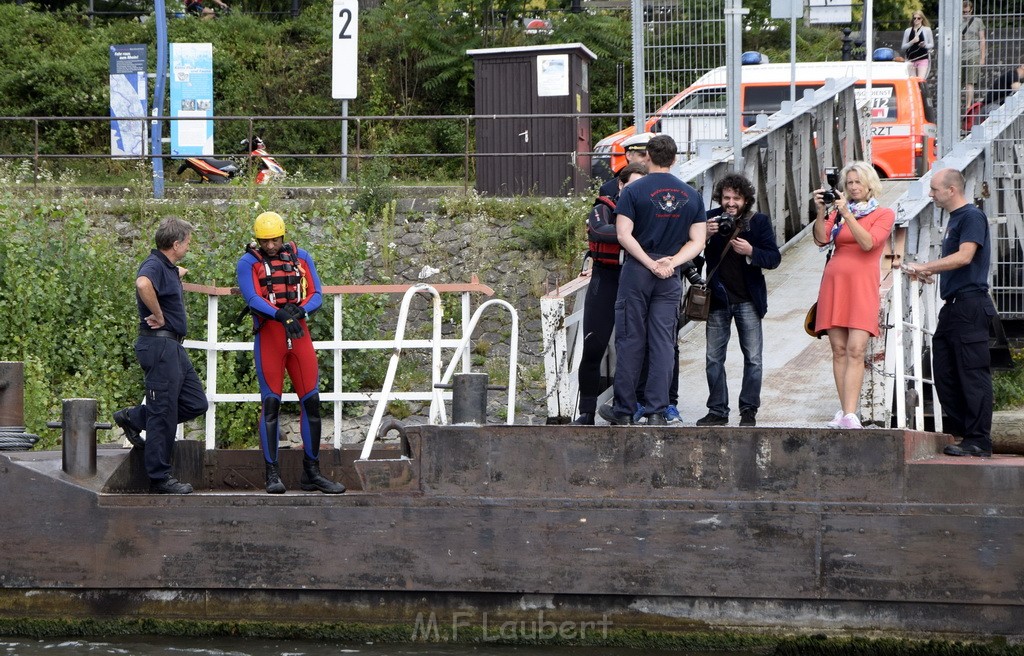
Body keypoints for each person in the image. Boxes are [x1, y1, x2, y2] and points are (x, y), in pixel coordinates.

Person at [598, 134, 707, 425]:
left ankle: (624, 410)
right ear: (674, 159)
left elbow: (623, 234)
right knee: (662, 343)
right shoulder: (691, 195)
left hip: (638, 271)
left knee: (631, 339)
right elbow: (698, 241)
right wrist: (671, 262)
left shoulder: (633, 191)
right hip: (670, 273)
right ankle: (657, 410)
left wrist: (648, 262)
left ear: (647, 157)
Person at [236, 211, 345, 494]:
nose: (270, 246)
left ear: (282, 236)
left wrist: (300, 310)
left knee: (311, 402)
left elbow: (317, 294)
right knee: (271, 403)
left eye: (274, 240)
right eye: (264, 241)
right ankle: (272, 474)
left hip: (299, 335)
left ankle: (312, 474)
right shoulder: (248, 262)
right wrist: (280, 315)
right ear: (257, 240)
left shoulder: (302, 257)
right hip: (269, 337)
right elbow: (251, 297)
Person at [113, 217, 209, 495]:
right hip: (159, 345)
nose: (189, 246)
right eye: (188, 242)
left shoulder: (166, 267)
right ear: (175, 243)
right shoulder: (154, 265)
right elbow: (143, 283)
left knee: (195, 403)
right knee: (163, 413)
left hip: (172, 347)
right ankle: (159, 478)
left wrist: (177, 272)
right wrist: (157, 314)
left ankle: (134, 417)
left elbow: (164, 276)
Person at [904, 169, 996, 458]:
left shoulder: (971, 216)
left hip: (970, 305)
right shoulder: (955, 219)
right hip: (953, 307)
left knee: (972, 374)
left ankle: (979, 440)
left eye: (934, 189)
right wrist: (932, 274)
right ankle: (967, 434)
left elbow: (966, 256)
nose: (931, 195)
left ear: (951, 190)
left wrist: (926, 266)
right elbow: (959, 262)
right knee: (943, 372)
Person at [811, 162, 895, 429]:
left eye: (858, 182)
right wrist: (822, 210)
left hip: (861, 285)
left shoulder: (883, 214)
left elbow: (869, 243)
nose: (854, 187)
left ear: (870, 183)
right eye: (849, 183)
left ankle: (850, 413)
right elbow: (821, 239)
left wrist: (846, 214)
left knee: (856, 349)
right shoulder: (837, 212)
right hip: (835, 282)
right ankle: (845, 411)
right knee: (838, 350)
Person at [695, 173, 781, 428]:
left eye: (736, 198)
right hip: (718, 300)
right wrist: (704, 237)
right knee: (713, 358)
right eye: (726, 197)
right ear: (720, 198)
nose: (730, 203)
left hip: (748, 300)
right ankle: (718, 410)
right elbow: (688, 252)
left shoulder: (759, 222)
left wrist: (751, 251)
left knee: (753, 358)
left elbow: (774, 259)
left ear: (746, 199)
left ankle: (748, 410)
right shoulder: (708, 218)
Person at [573, 162, 647, 425]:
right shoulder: (603, 207)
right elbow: (597, 230)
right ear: (620, 185)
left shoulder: (648, 211)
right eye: (631, 185)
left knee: (637, 347)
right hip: (606, 278)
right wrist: (630, 235)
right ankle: (586, 412)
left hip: (637, 279)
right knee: (594, 346)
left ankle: (631, 406)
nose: (635, 190)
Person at [598, 132, 653, 199]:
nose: (647, 159)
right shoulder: (609, 189)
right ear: (629, 155)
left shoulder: (657, 182)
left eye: (649, 156)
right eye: (642, 155)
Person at [961, 1, 987, 115]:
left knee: (970, 81)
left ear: (971, 10)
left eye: (967, 11)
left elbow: (982, 39)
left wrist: (982, 57)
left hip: (973, 53)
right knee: (959, 81)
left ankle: (968, 106)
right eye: (963, 12)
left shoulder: (978, 21)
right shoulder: (957, 21)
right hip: (960, 54)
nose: (965, 13)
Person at [901, 11, 934, 79]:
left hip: (922, 58)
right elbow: (903, 47)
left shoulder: (927, 30)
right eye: (914, 18)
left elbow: (931, 44)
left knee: (920, 80)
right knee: (913, 81)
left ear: (922, 19)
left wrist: (925, 45)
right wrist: (912, 42)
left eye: (918, 18)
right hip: (910, 59)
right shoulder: (908, 31)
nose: (916, 20)